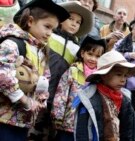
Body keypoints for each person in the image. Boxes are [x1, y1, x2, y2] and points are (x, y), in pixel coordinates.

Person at [0, 0, 69, 140]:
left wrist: (41, 101)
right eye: (47, 27)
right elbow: (3, 74)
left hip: (21, 122)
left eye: (53, 30)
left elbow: (45, 79)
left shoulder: (41, 52)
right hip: (3, 118)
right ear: (30, 21)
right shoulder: (13, 43)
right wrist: (24, 99)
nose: (50, 33)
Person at [28, 1, 93, 140]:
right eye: (70, 19)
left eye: (78, 22)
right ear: (61, 20)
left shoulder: (77, 49)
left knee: (49, 133)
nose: (74, 23)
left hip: (59, 100)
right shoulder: (49, 36)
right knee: (32, 129)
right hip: (40, 91)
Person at [73, 50, 135, 141]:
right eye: (119, 74)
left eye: (125, 75)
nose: (123, 80)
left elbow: (129, 130)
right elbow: (83, 132)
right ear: (104, 75)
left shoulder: (124, 99)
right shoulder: (90, 100)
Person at [51, 35, 106, 141]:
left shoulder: (101, 77)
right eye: (90, 54)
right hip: (69, 123)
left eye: (98, 56)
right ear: (82, 53)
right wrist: (57, 117)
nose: (93, 59)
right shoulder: (73, 71)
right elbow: (61, 93)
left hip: (87, 125)